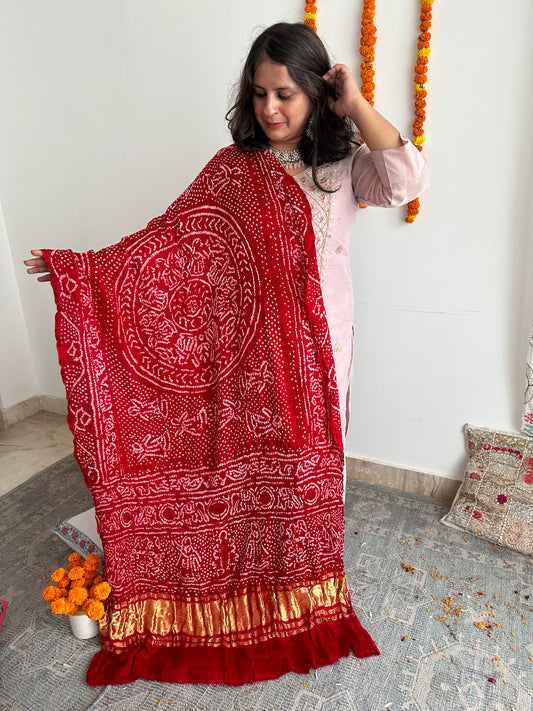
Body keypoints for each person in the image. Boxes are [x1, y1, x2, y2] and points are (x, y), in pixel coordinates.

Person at [24, 23, 428, 687]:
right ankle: (247, 568)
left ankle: (302, 579)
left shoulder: (343, 167)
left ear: (315, 94)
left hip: (321, 351)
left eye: (287, 94)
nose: (271, 108)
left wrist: (353, 103)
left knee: (313, 463)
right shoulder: (231, 168)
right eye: (261, 93)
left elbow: (407, 179)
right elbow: (169, 242)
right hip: (241, 356)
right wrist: (82, 270)